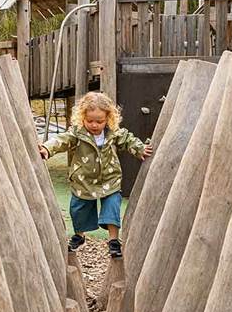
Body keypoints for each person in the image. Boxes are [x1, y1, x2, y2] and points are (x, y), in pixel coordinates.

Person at [39, 91, 153, 258]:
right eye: (90, 121)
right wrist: (48, 149)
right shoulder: (77, 133)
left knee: (112, 207)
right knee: (78, 209)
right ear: (82, 118)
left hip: (109, 179)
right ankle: (79, 235)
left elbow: (128, 139)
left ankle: (113, 240)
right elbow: (61, 140)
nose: (94, 125)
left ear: (108, 119)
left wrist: (140, 149)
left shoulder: (113, 133)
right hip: (83, 181)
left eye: (99, 121)